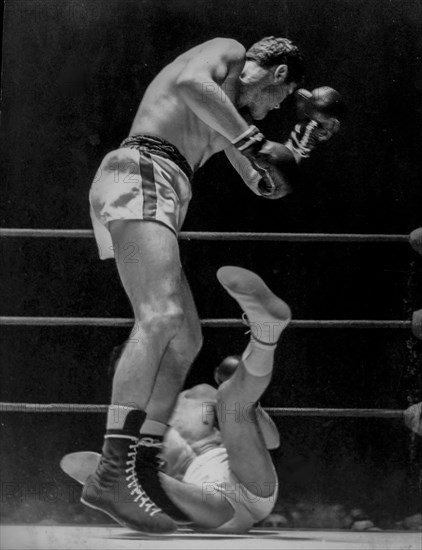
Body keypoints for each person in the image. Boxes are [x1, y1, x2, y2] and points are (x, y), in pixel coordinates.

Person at [85, 36, 342, 533]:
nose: (271, 110)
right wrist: (253, 141)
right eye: (279, 100)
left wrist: (296, 150)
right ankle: (111, 470)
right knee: (160, 318)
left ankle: (139, 468)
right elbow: (189, 84)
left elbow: (259, 181)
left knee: (185, 340)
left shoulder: (226, 118)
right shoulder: (227, 52)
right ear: (279, 74)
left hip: (159, 187)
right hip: (141, 171)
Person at [63, 266, 291, 532]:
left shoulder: (200, 395)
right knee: (137, 475)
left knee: (231, 398)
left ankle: (265, 334)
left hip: (252, 480)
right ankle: (121, 486)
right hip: (205, 502)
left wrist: (251, 404)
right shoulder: (126, 429)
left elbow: (272, 441)